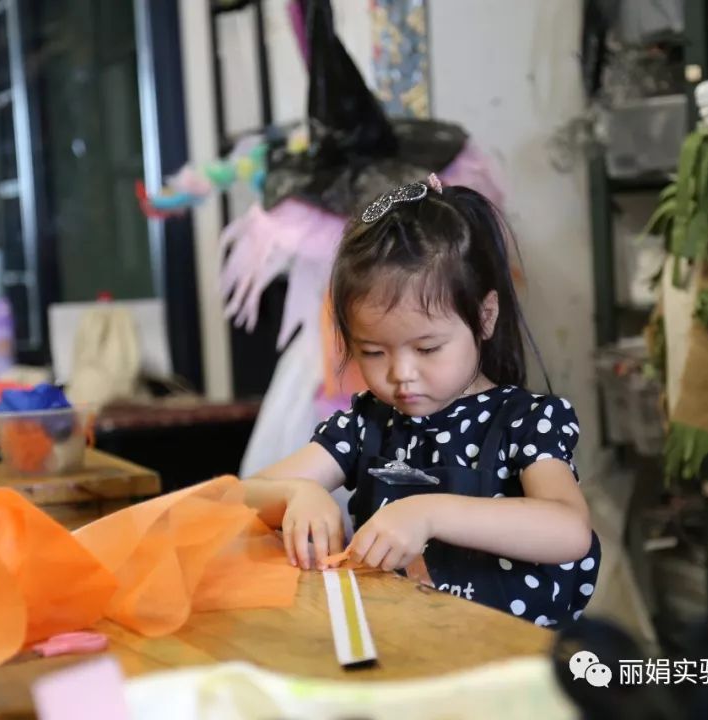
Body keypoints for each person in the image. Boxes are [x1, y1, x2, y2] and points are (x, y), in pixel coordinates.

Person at [242, 175, 599, 626]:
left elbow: (568, 530)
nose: (401, 374)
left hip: (515, 659)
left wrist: (430, 513)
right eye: (373, 352)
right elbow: (236, 499)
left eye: (427, 348)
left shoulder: (526, 421)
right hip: (402, 649)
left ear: (485, 317)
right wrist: (298, 492)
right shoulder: (366, 424)